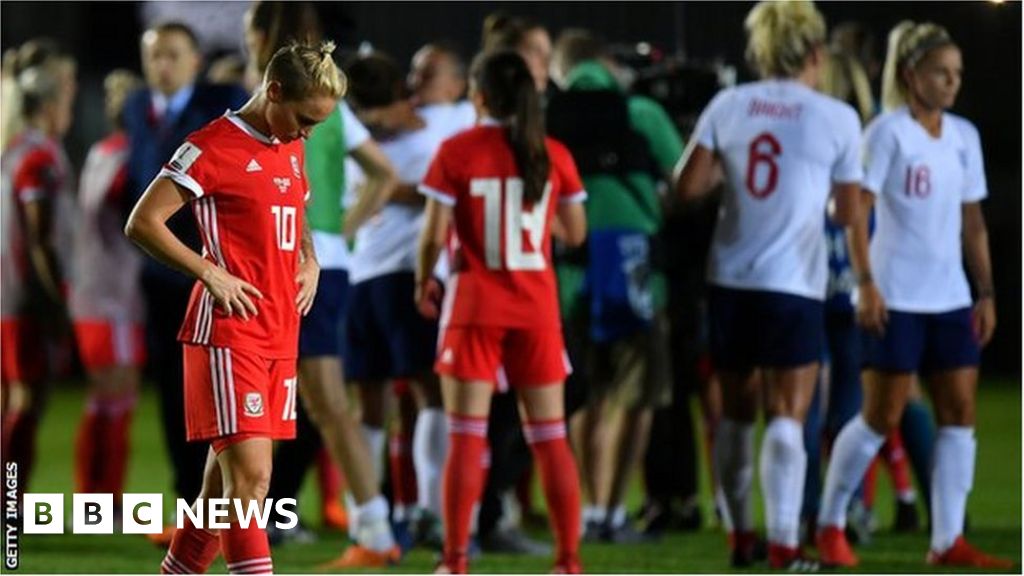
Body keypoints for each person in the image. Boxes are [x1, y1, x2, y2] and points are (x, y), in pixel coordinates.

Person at [676, 0, 882, 569]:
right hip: (794, 282)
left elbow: (686, 187)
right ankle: (787, 547)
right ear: (814, 52)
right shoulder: (836, 116)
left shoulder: (730, 104)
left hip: (731, 278)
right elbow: (846, 212)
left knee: (737, 414)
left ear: (759, 51)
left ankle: (743, 538)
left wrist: (729, 179)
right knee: (787, 413)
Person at [125, 39, 342, 575]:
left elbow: (297, 206)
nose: (308, 133)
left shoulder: (288, 141)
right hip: (228, 334)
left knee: (220, 492)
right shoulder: (211, 145)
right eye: (305, 118)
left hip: (279, 332)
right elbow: (143, 222)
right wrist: (208, 270)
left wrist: (309, 259)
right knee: (252, 484)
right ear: (273, 91)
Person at [814, 22, 1011, 569]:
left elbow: (973, 223)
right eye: (940, 73)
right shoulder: (886, 134)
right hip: (895, 297)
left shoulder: (964, 136)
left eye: (958, 74)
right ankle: (829, 524)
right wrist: (865, 282)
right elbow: (857, 211)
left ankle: (947, 541)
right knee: (881, 415)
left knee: (960, 412)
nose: (952, 84)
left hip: (949, 298)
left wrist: (986, 290)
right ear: (910, 75)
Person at [242, 2, 403, 565]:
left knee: (326, 406)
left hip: (299, 268)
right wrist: (346, 233)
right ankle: (368, 528)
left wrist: (330, 234)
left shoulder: (268, 101)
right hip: (329, 264)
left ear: (259, 34)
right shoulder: (324, 100)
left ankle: (376, 534)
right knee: (294, 406)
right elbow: (383, 173)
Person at [416, 50, 587, 574]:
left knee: (467, 433)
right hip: (535, 307)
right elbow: (576, 233)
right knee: (551, 437)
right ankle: (568, 560)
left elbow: (433, 234)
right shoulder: (551, 152)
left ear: (480, 95)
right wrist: (532, 226)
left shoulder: (458, 150)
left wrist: (425, 280)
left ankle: (455, 559)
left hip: (473, 305)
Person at [547, 28, 683, 542]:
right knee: (635, 392)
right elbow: (685, 177)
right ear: (605, 61)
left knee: (585, 393)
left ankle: (586, 510)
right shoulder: (641, 113)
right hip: (635, 270)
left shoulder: (549, 116)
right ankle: (611, 510)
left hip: (570, 271)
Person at [343, 50, 476, 548]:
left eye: (429, 74)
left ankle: (370, 520)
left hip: (362, 275)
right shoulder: (453, 118)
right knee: (429, 394)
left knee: (370, 405)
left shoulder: (350, 129)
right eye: (414, 74)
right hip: (402, 274)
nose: (420, 84)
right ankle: (424, 511)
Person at [122, 22, 249, 541]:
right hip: (158, 274)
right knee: (173, 394)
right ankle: (187, 509)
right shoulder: (136, 108)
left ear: (197, 61)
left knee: (223, 399)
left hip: (214, 273)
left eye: (173, 55)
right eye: (154, 55)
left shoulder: (224, 106)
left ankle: (242, 507)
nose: (163, 65)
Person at [0, 39, 77, 516]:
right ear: (50, 105)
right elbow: (41, 239)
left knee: (12, 399)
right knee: (27, 401)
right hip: (21, 298)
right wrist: (56, 300)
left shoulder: (10, 149)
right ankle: (11, 506)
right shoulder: (38, 157)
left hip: (5, 295)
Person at [70, 69, 145, 508]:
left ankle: (91, 500)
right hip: (114, 294)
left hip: (92, 288)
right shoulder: (130, 158)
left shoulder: (101, 151)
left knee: (104, 399)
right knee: (117, 398)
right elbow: (123, 206)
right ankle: (105, 503)